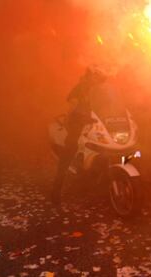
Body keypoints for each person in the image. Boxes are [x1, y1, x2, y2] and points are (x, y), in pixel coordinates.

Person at [51, 66, 107, 205]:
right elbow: (72, 107)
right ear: (90, 76)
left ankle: (88, 182)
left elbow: (100, 107)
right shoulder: (80, 88)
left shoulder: (95, 90)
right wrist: (74, 119)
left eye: (100, 79)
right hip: (76, 126)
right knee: (67, 155)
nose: (99, 81)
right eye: (97, 78)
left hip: (89, 126)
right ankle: (55, 193)